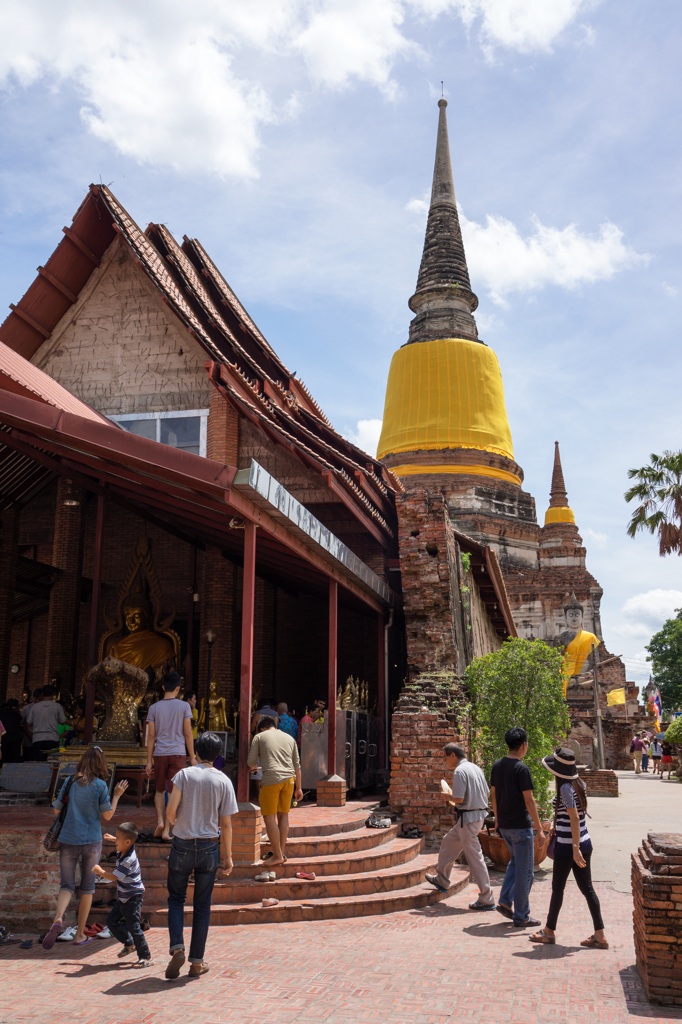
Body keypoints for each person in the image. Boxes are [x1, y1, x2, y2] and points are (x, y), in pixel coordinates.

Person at [164, 731, 238, 980]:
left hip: (183, 843)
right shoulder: (223, 781)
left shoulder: (184, 775)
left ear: (196, 752)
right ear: (218, 756)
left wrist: (176, 825)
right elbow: (226, 824)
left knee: (176, 899)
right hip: (209, 846)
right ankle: (197, 961)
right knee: (202, 906)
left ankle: (177, 947)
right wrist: (228, 856)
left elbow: (170, 810)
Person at [42, 747, 129, 950]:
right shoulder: (100, 785)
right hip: (91, 840)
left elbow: (56, 809)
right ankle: (80, 934)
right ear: (101, 764)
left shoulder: (70, 782)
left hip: (68, 838)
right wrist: (116, 795)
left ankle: (58, 918)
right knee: (88, 887)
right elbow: (107, 816)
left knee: (66, 885)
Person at [529, 747, 608, 948]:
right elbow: (572, 816)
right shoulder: (579, 783)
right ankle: (599, 935)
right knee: (587, 888)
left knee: (558, 889)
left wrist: (574, 848)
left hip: (569, 846)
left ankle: (549, 932)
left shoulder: (565, 788)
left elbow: (574, 818)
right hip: (583, 842)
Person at [425, 743, 495, 910]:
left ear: (453, 756)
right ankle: (442, 879)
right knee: (448, 842)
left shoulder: (459, 771)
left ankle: (487, 898)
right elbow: (486, 794)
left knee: (475, 859)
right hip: (475, 818)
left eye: (446, 757)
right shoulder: (475, 768)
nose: (445, 761)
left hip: (468, 820)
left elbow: (458, 799)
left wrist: (447, 794)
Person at [490, 726, 546, 929]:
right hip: (521, 827)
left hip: (504, 825)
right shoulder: (521, 768)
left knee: (516, 863)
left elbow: (494, 795)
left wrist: (497, 819)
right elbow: (529, 801)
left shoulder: (497, 765)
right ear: (524, 745)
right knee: (526, 872)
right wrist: (539, 828)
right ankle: (521, 915)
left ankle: (505, 901)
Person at [93, 821, 153, 967]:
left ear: (127, 842)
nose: (116, 841)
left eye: (118, 838)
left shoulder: (128, 859)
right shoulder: (125, 848)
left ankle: (145, 957)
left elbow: (113, 877)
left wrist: (100, 871)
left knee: (134, 926)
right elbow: (124, 841)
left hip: (133, 897)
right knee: (111, 921)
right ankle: (129, 943)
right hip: (125, 896)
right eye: (116, 838)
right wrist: (114, 839)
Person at [145, 671, 196, 840]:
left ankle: (160, 821)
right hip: (178, 753)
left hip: (160, 753)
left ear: (162, 687)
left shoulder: (154, 708)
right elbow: (188, 733)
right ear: (178, 689)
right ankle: (167, 829)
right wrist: (193, 757)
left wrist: (148, 761)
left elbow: (151, 736)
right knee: (174, 791)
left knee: (159, 789)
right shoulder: (184, 706)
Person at [247, 715, 302, 866]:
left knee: (269, 818)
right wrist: (299, 788)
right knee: (283, 816)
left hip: (271, 780)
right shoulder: (289, 738)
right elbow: (297, 765)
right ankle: (280, 853)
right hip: (289, 781)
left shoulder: (259, 736)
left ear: (262, 728)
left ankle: (277, 855)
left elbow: (251, 762)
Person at [26, 685, 66, 760]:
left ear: (42, 694)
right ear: (53, 694)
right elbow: (62, 722)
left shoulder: (35, 707)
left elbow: (29, 723)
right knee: (52, 761)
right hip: (52, 738)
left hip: (38, 738)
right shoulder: (57, 706)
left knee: (39, 763)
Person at [0, 699, 24, 763]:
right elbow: (21, 727)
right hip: (15, 739)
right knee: (14, 759)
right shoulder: (17, 714)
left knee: (4, 758)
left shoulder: (0, 714)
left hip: (3, 739)